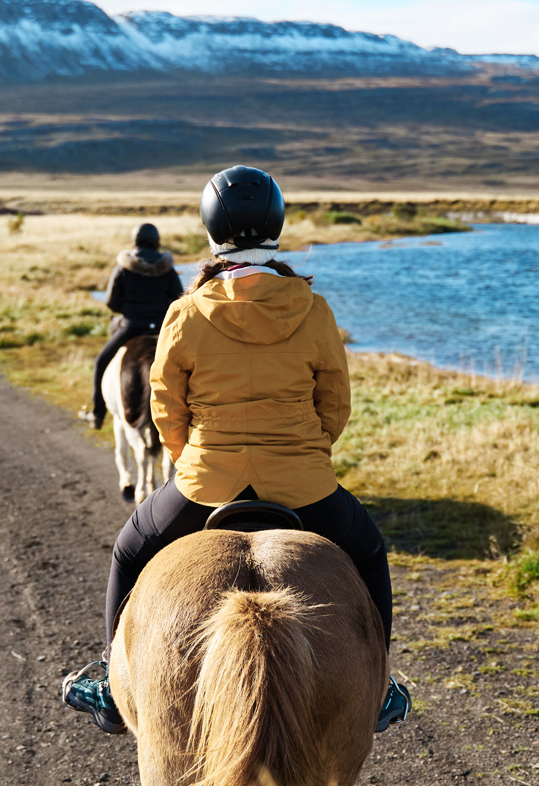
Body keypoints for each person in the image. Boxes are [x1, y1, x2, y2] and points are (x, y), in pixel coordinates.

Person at [63, 165, 410, 735]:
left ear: (210, 229)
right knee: (370, 552)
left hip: (206, 481)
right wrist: (305, 452)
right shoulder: (313, 309)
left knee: (129, 550)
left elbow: (166, 406)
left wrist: (188, 457)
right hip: (303, 482)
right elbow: (336, 404)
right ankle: (379, 688)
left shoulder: (186, 311)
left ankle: (108, 682)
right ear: (276, 225)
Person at [83, 223, 183, 430]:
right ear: (157, 241)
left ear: (135, 241)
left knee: (101, 362)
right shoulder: (168, 269)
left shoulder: (123, 268)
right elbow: (180, 300)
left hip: (131, 328)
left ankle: (98, 414)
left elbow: (112, 303)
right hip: (162, 331)